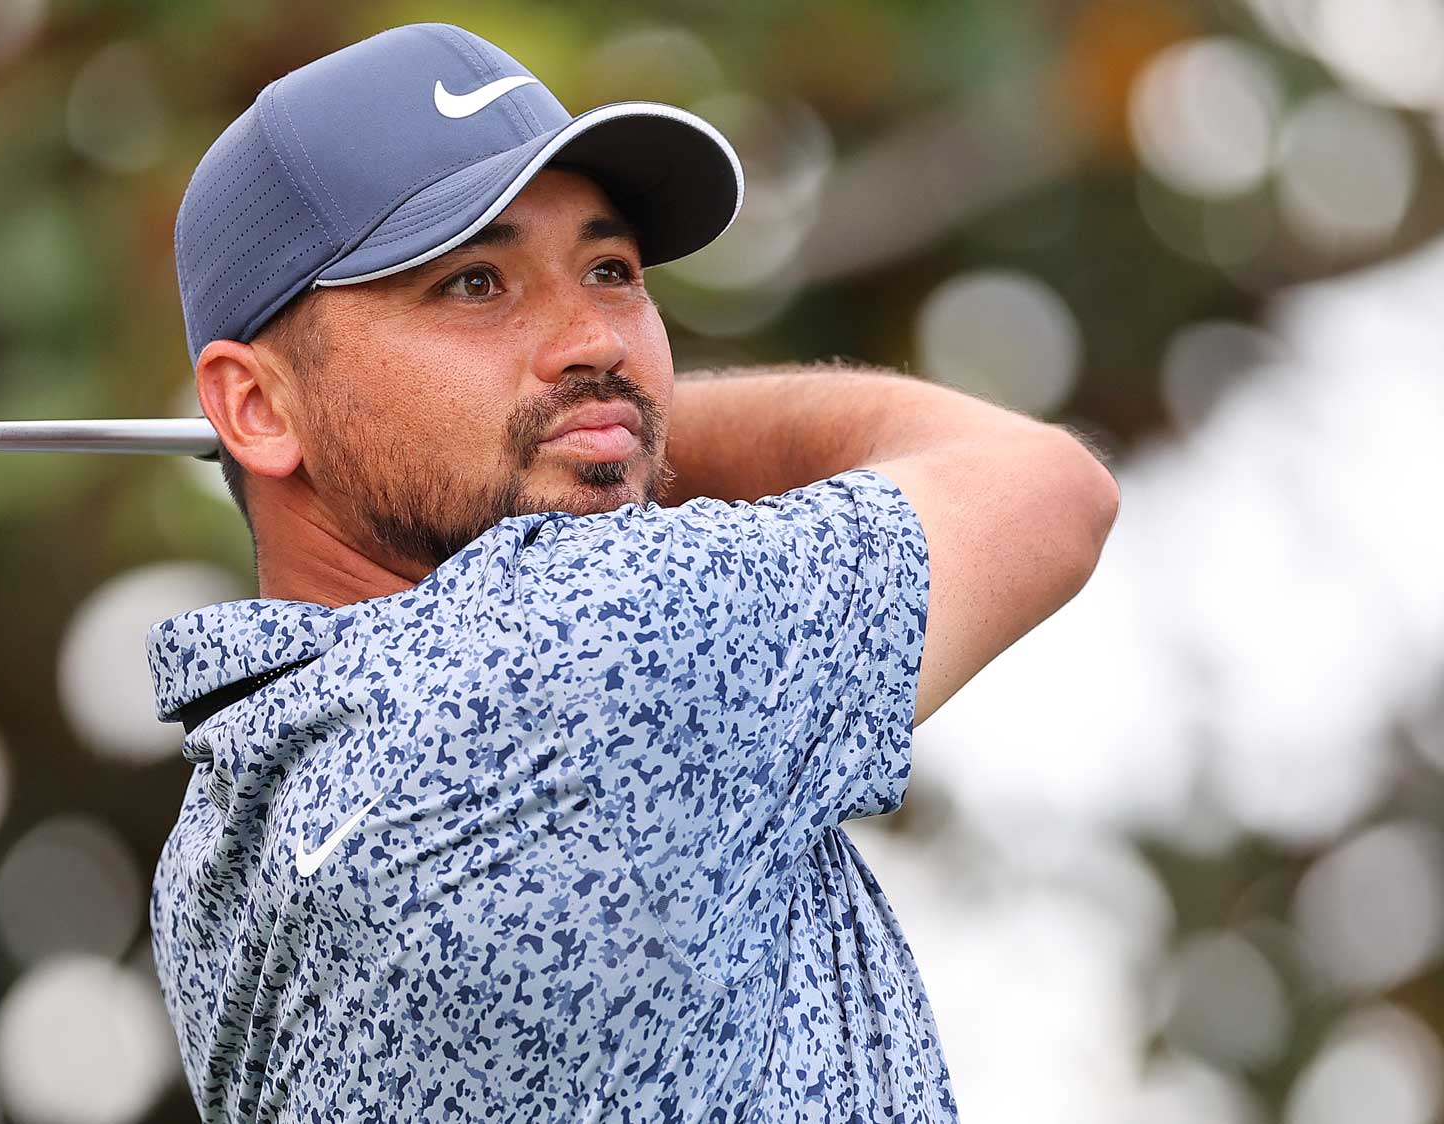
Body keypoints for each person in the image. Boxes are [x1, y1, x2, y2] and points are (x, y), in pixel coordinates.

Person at [146, 22, 1118, 1122]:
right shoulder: (602, 642)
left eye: (609, 272)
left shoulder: (212, 855)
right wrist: (617, 423)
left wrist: (582, 424)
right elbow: (1045, 489)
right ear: (256, 406)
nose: (597, 340)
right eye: (475, 282)